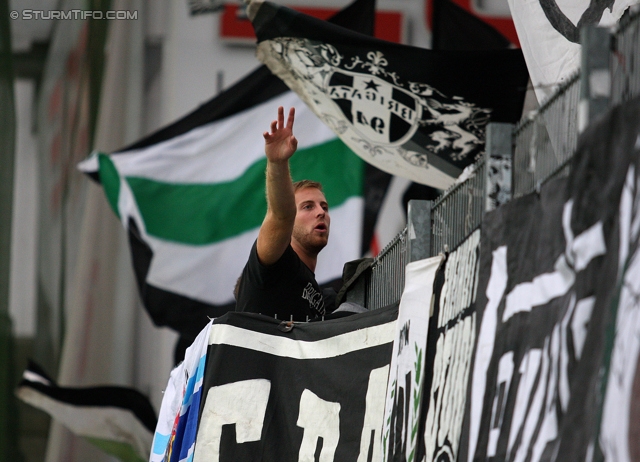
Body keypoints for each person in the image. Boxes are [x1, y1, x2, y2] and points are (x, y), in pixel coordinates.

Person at [235, 106, 332, 321]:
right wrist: (278, 162)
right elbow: (281, 216)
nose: (320, 213)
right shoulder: (275, 264)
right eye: (308, 206)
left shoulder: (322, 298)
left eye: (324, 207)